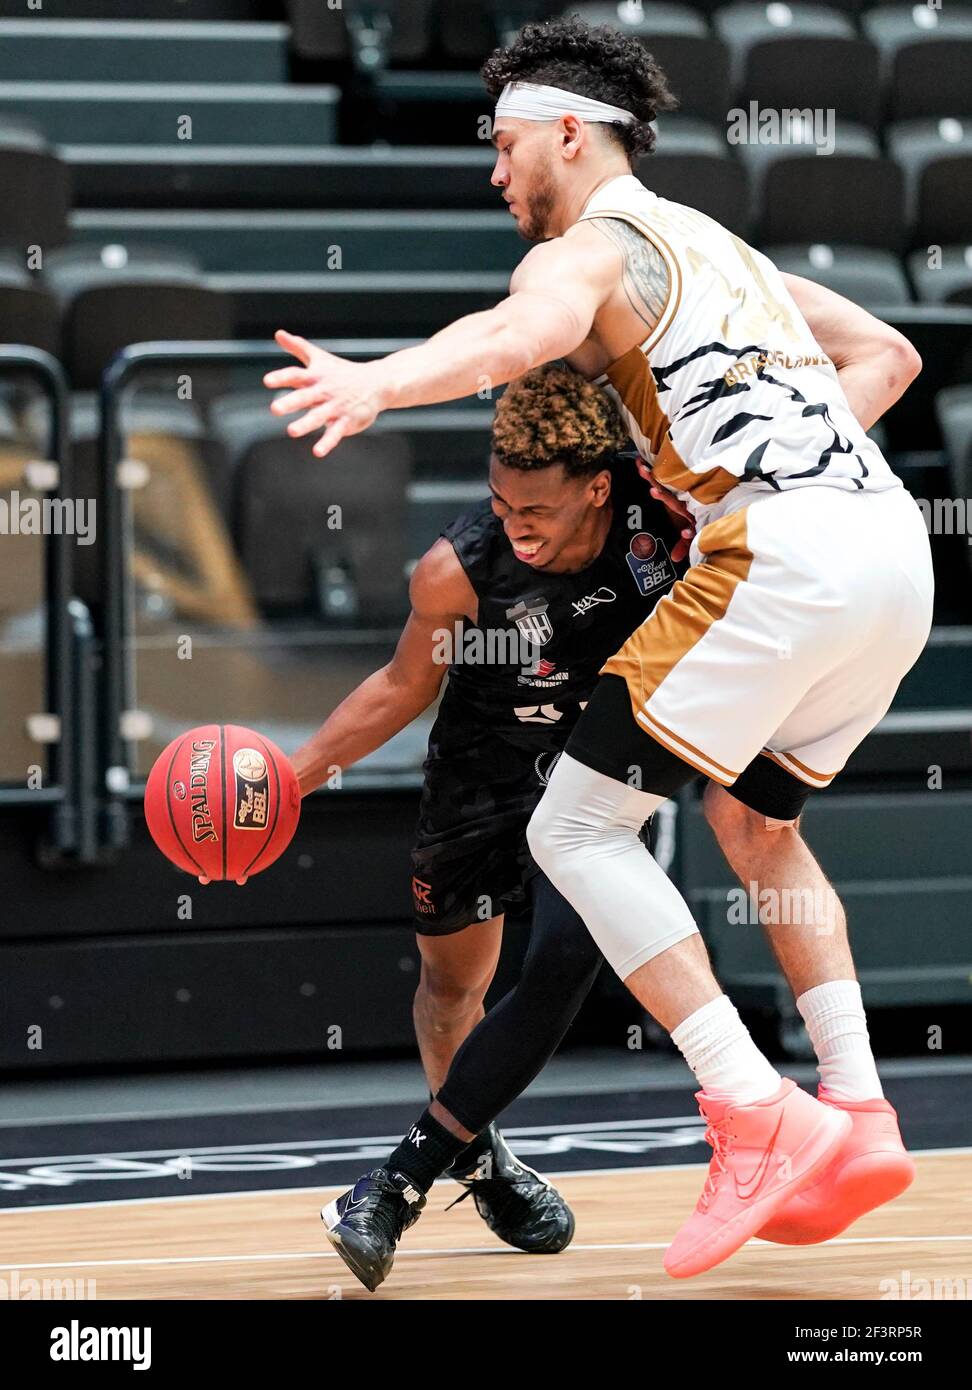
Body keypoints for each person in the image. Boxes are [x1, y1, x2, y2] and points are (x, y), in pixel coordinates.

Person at [265, 17, 932, 1281]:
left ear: (569, 131)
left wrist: (379, 383)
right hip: (892, 549)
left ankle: (752, 1112)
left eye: (507, 143)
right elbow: (889, 354)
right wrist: (790, 461)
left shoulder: (593, 250)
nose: (496, 169)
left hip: (784, 553)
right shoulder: (727, 248)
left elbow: (515, 341)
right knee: (758, 830)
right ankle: (856, 1107)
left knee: (571, 830)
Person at [290, 363, 683, 1287]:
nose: (516, 524)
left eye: (535, 510)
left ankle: (401, 1180)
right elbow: (399, 685)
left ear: (599, 486)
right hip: (479, 777)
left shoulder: (663, 523)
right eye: (501, 502)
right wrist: (296, 778)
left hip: (595, 784)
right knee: (451, 989)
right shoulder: (458, 568)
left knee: (554, 967)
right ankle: (479, 1155)